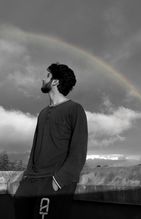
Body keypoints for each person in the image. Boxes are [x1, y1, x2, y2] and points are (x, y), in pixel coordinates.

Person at [14, 62, 88, 219]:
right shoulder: (42, 113)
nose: (42, 78)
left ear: (55, 81)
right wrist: (25, 177)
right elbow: (35, 148)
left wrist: (58, 181)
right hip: (30, 182)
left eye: (47, 75)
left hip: (53, 183)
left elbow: (79, 151)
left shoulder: (75, 109)